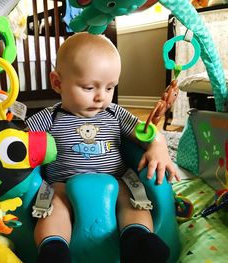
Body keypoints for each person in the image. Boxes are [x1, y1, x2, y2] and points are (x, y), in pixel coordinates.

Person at [25, 32, 180, 263]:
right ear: (57, 82)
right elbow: (19, 140)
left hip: (116, 181)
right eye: (89, 88)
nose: (101, 97)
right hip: (62, 185)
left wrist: (158, 146)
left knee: (134, 201)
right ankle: (53, 249)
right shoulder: (49, 117)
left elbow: (147, 133)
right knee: (53, 208)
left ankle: (137, 240)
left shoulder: (114, 114)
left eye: (109, 88)